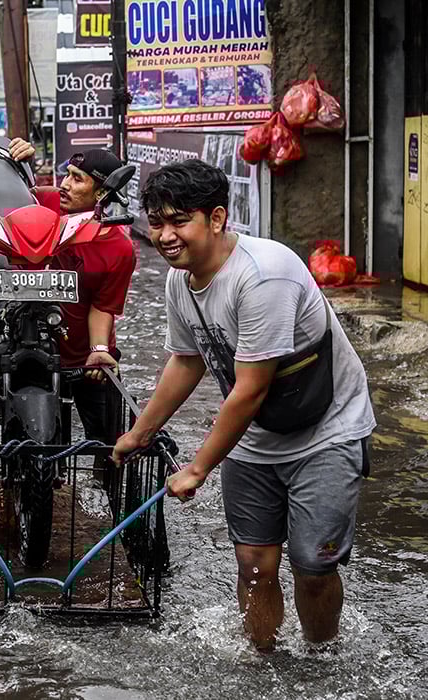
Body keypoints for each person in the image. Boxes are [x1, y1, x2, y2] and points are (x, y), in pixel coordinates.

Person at [112, 159, 376, 651]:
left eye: (178, 221)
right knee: (254, 564)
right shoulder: (180, 281)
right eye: (157, 222)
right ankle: (263, 660)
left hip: (326, 430)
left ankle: (320, 658)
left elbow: (250, 389)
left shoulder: (263, 276)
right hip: (255, 436)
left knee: (313, 564)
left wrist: (198, 467)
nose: (166, 235)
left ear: (216, 219)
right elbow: (186, 362)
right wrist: (139, 432)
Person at [43, 148, 136, 488]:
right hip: (39, 350)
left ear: (101, 193)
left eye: (76, 179)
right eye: (66, 174)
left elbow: (103, 306)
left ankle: (111, 506)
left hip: (89, 359)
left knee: (110, 449)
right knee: (42, 457)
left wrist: (98, 350)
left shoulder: (119, 248)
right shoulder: (43, 210)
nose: (64, 185)